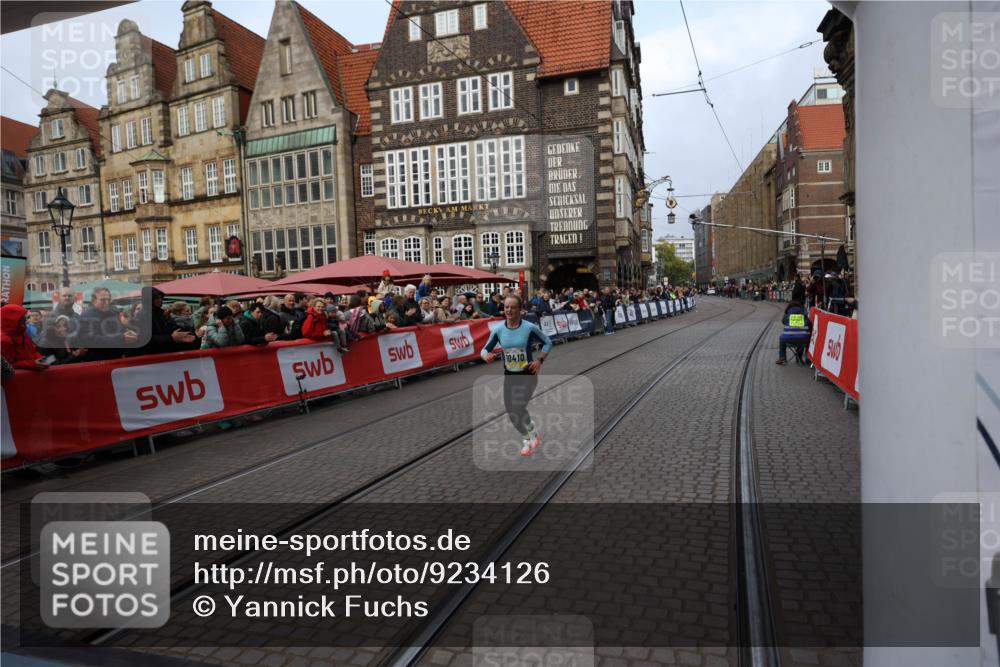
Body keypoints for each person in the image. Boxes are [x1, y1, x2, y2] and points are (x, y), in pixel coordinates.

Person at [480, 295, 553, 457]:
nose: (509, 310)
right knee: (511, 411)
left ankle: (530, 437)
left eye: (513, 307)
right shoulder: (499, 329)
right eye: (506, 307)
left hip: (528, 374)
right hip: (510, 375)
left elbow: (548, 342)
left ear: (520, 310)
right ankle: (528, 436)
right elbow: (484, 349)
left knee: (518, 407)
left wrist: (539, 360)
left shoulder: (529, 327)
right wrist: (486, 356)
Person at [72, 287, 138, 361]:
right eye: (103, 300)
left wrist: (128, 333)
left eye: (108, 300)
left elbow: (120, 330)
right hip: (98, 362)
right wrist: (121, 338)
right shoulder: (86, 316)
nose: (106, 302)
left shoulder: (112, 313)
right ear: (94, 300)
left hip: (116, 359)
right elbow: (92, 341)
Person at [136, 287, 198, 356]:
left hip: (164, 355)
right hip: (152, 357)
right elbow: (147, 339)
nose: (160, 300)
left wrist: (179, 338)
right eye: (156, 298)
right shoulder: (143, 315)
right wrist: (172, 338)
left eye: (160, 298)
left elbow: (166, 333)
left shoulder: (160, 314)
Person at [1, 304, 49, 371]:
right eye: (22, 318)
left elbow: (32, 351)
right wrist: (33, 364)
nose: (26, 321)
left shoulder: (21, 331)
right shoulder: (4, 340)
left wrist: (40, 358)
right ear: (12, 320)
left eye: (26, 317)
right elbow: (7, 367)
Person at [776, 300, 811, 365]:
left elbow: (783, 322)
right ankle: (799, 357)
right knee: (802, 334)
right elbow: (809, 323)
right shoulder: (804, 314)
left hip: (788, 339)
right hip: (803, 340)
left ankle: (782, 357)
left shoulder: (787, 314)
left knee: (781, 338)